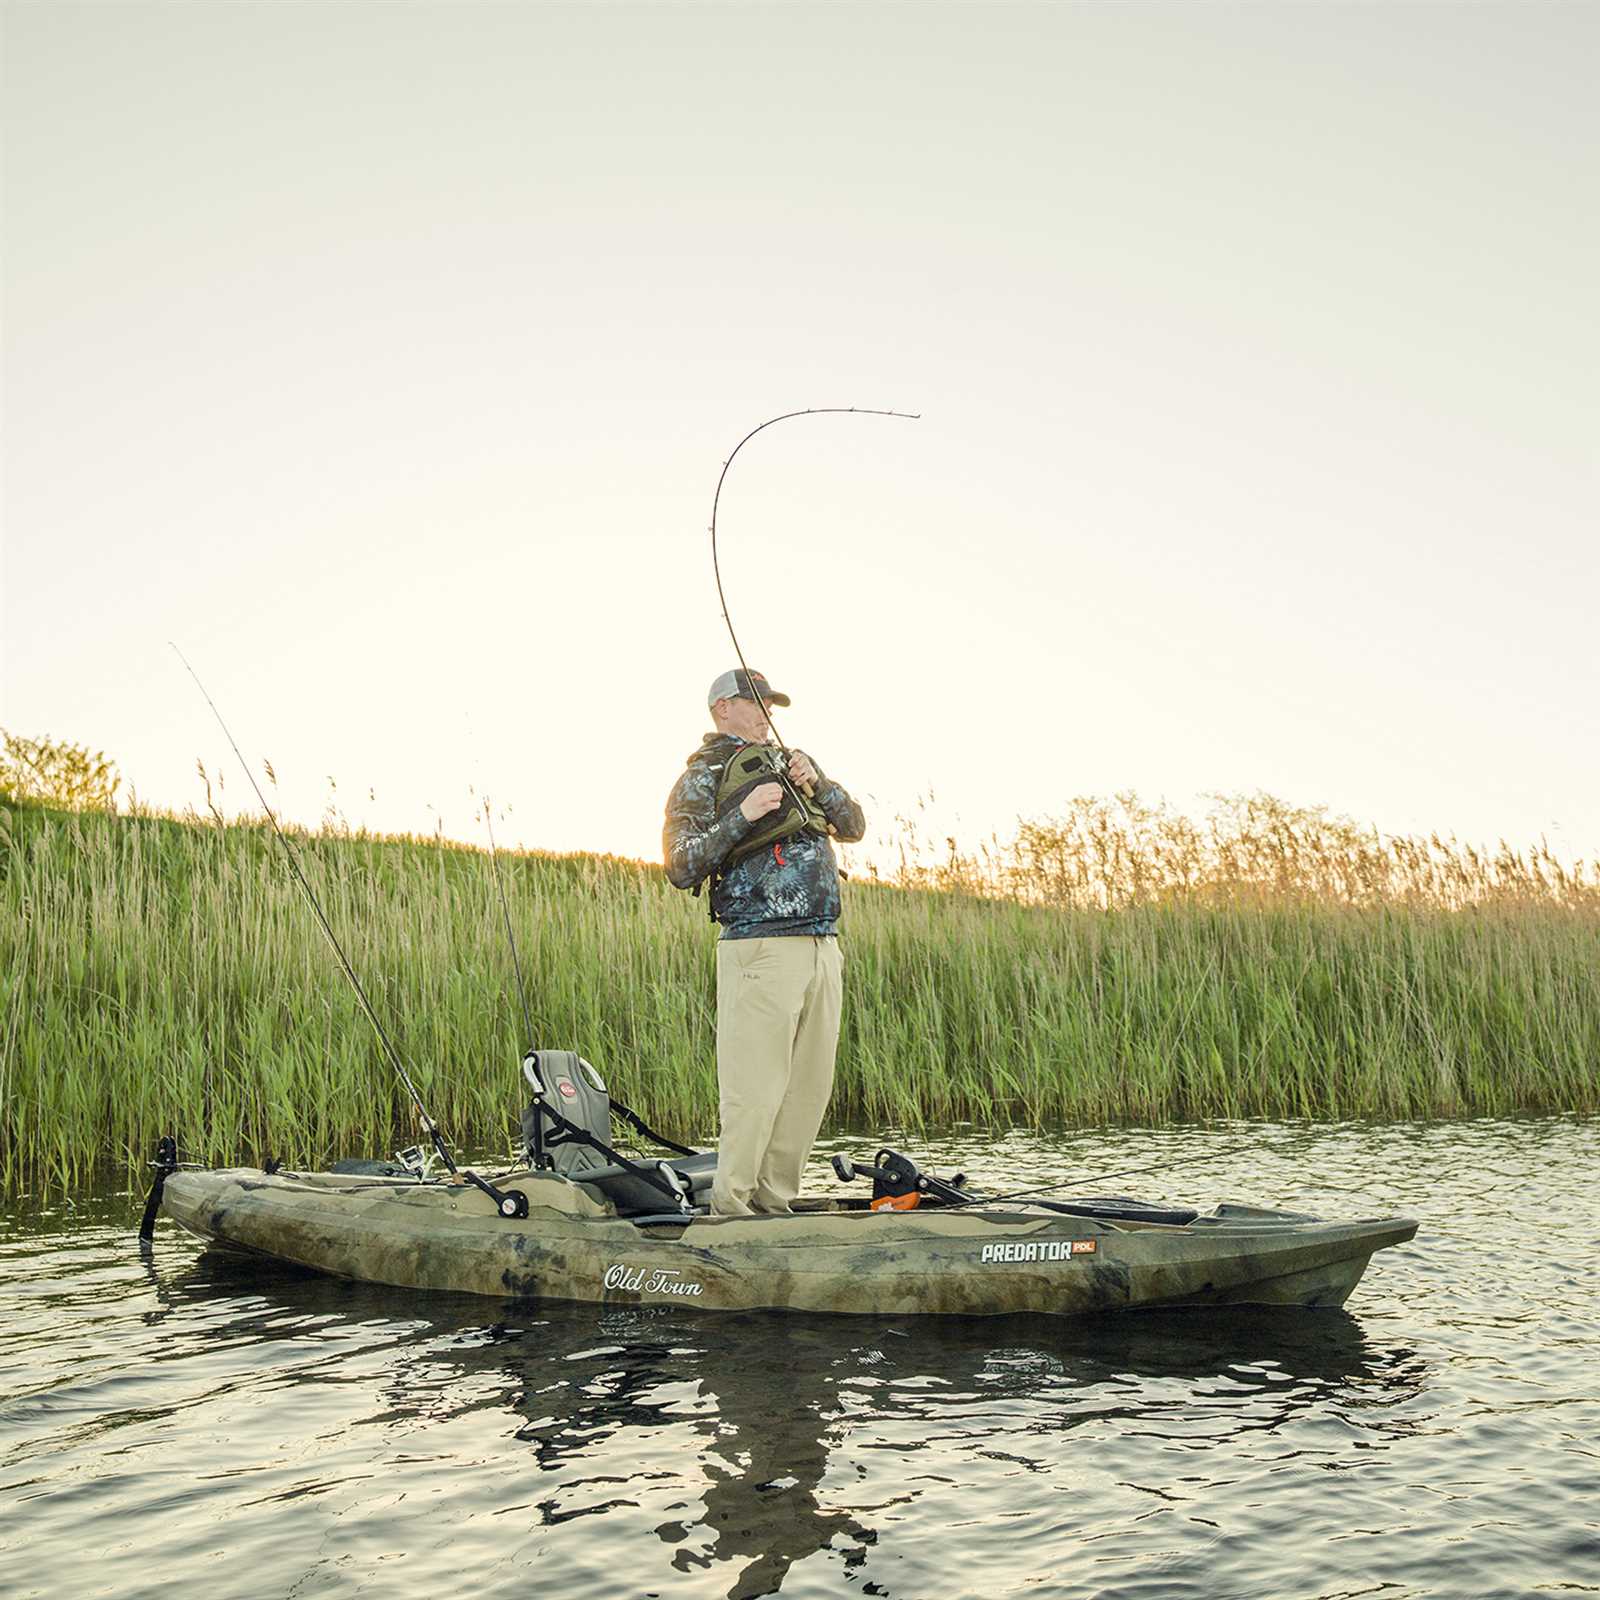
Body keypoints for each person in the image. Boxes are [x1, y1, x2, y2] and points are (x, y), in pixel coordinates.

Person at [663, 668, 866, 1216]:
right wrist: (743, 815)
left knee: (808, 1091)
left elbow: (853, 825)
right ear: (722, 708)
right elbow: (681, 865)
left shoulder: (793, 762)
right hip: (759, 948)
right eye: (754, 702)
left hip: (823, 944)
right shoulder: (702, 777)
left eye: (770, 705)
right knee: (754, 1093)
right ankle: (731, 1209)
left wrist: (817, 784)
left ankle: (774, 1209)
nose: (765, 713)